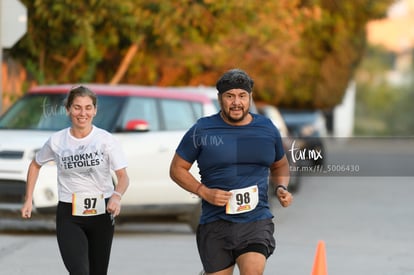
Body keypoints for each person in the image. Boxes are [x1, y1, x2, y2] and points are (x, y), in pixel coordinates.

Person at [169, 69, 293, 275]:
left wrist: (281, 187)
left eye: (242, 96)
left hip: (256, 220)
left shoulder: (267, 128)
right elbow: (176, 169)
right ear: (220, 99)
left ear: (250, 98)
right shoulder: (203, 129)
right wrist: (203, 191)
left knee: (253, 270)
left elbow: (280, 164)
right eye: (230, 96)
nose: (237, 102)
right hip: (215, 223)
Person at [21, 85, 129, 275]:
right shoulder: (57, 140)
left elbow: (123, 176)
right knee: (79, 271)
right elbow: (35, 165)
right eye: (77, 107)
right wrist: (28, 198)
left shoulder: (105, 140)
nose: (82, 113)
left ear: (95, 111)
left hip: (102, 212)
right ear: (68, 109)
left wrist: (116, 196)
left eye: (88, 107)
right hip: (69, 213)